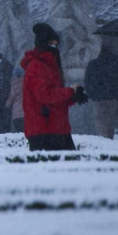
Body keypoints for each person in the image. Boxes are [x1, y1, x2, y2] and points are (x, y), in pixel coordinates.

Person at [21, 23, 88, 151]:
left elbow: (54, 100)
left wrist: (72, 96)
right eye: (52, 43)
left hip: (55, 127)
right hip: (44, 129)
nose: (55, 47)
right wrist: (70, 92)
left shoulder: (50, 66)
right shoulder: (37, 66)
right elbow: (44, 96)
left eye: (56, 44)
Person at [84, 44, 118, 139]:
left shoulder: (93, 64)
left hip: (98, 98)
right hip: (112, 97)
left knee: (100, 120)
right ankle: (109, 137)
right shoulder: (115, 63)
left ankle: (103, 138)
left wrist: (91, 94)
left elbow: (88, 80)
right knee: (110, 120)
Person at [7, 66, 25, 133]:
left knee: (18, 130)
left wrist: (7, 105)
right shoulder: (27, 82)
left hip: (16, 112)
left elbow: (11, 96)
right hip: (26, 112)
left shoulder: (14, 84)